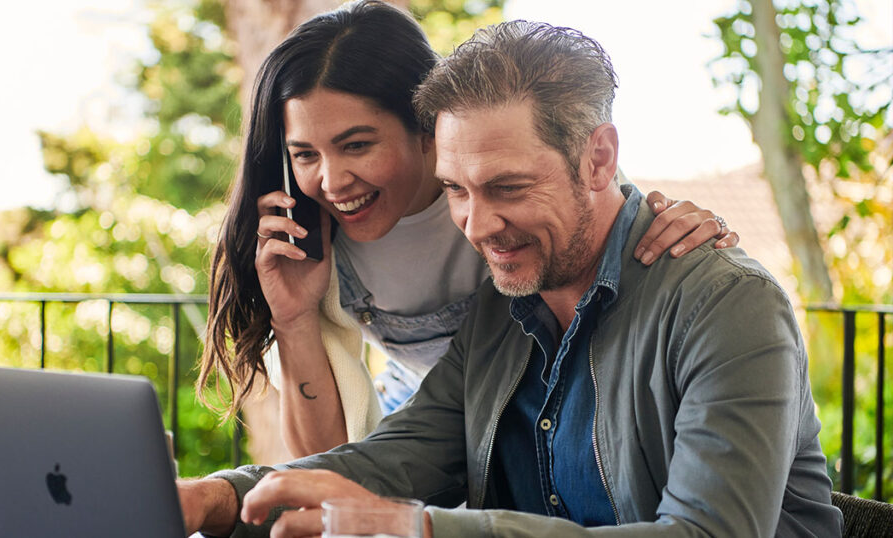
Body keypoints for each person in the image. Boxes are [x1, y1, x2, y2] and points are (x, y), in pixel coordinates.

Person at [177, 20, 842, 537]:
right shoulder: (504, 307)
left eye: (508, 187)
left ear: (599, 157)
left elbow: (709, 533)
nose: (478, 225)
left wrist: (421, 527)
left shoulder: (726, 305)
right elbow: (391, 458)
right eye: (455, 192)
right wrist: (216, 496)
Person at [198, 0, 739, 457]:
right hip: (421, 421)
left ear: (427, 128)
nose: (332, 180)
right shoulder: (311, 243)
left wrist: (680, 226)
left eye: (357, 145)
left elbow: (613, 215)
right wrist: (293, 319)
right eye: (305, 154)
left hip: (546, 415)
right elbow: (323, 465)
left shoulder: (511, 179)